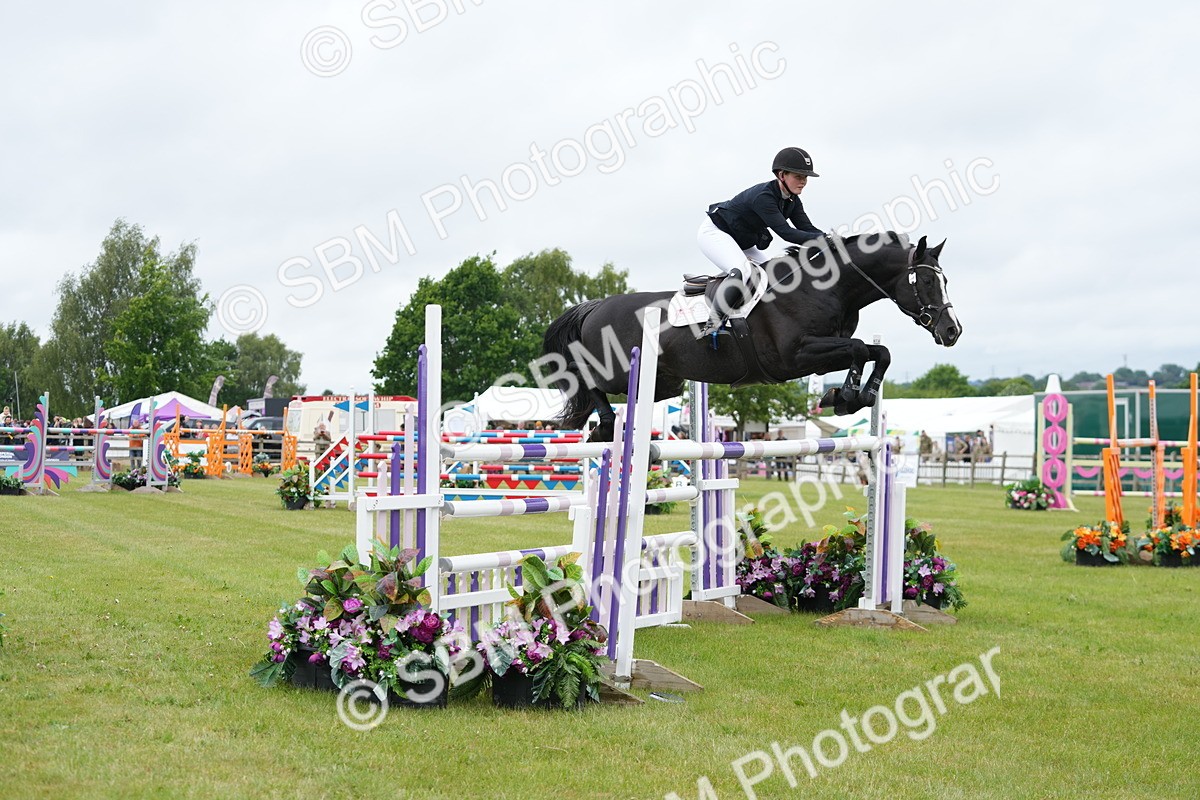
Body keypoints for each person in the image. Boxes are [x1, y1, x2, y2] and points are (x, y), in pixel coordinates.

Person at [697, 146, 830, 338]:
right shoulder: (764, 197)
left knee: (771, 274)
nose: (804, 182)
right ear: (782, 175)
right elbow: (787, 233)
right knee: (741, 270)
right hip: (715, 233)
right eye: (799, 176)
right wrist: (823, 240)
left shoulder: (792, 200)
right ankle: (712, 326)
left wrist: (831, 239)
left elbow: (808, 229)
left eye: (806, 177)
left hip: (739, 240)